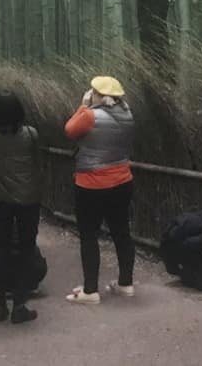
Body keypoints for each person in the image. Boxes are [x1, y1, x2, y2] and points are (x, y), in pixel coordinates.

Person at [63, 76, 136, 304]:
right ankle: (125, 284)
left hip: (91, 185)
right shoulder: (128, 115)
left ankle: (90, 290)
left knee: (89, 235)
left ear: (97, 94)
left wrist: (83, 105)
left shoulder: (89, 115)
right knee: (121, 232)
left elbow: (69, 130)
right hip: (122, 182)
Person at [0, 91, 42, 324]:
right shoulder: (31, 134)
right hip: (28, 199)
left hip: (0, 199)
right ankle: (19, 305)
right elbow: (37, 162)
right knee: (26, 250)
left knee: (2, 249)